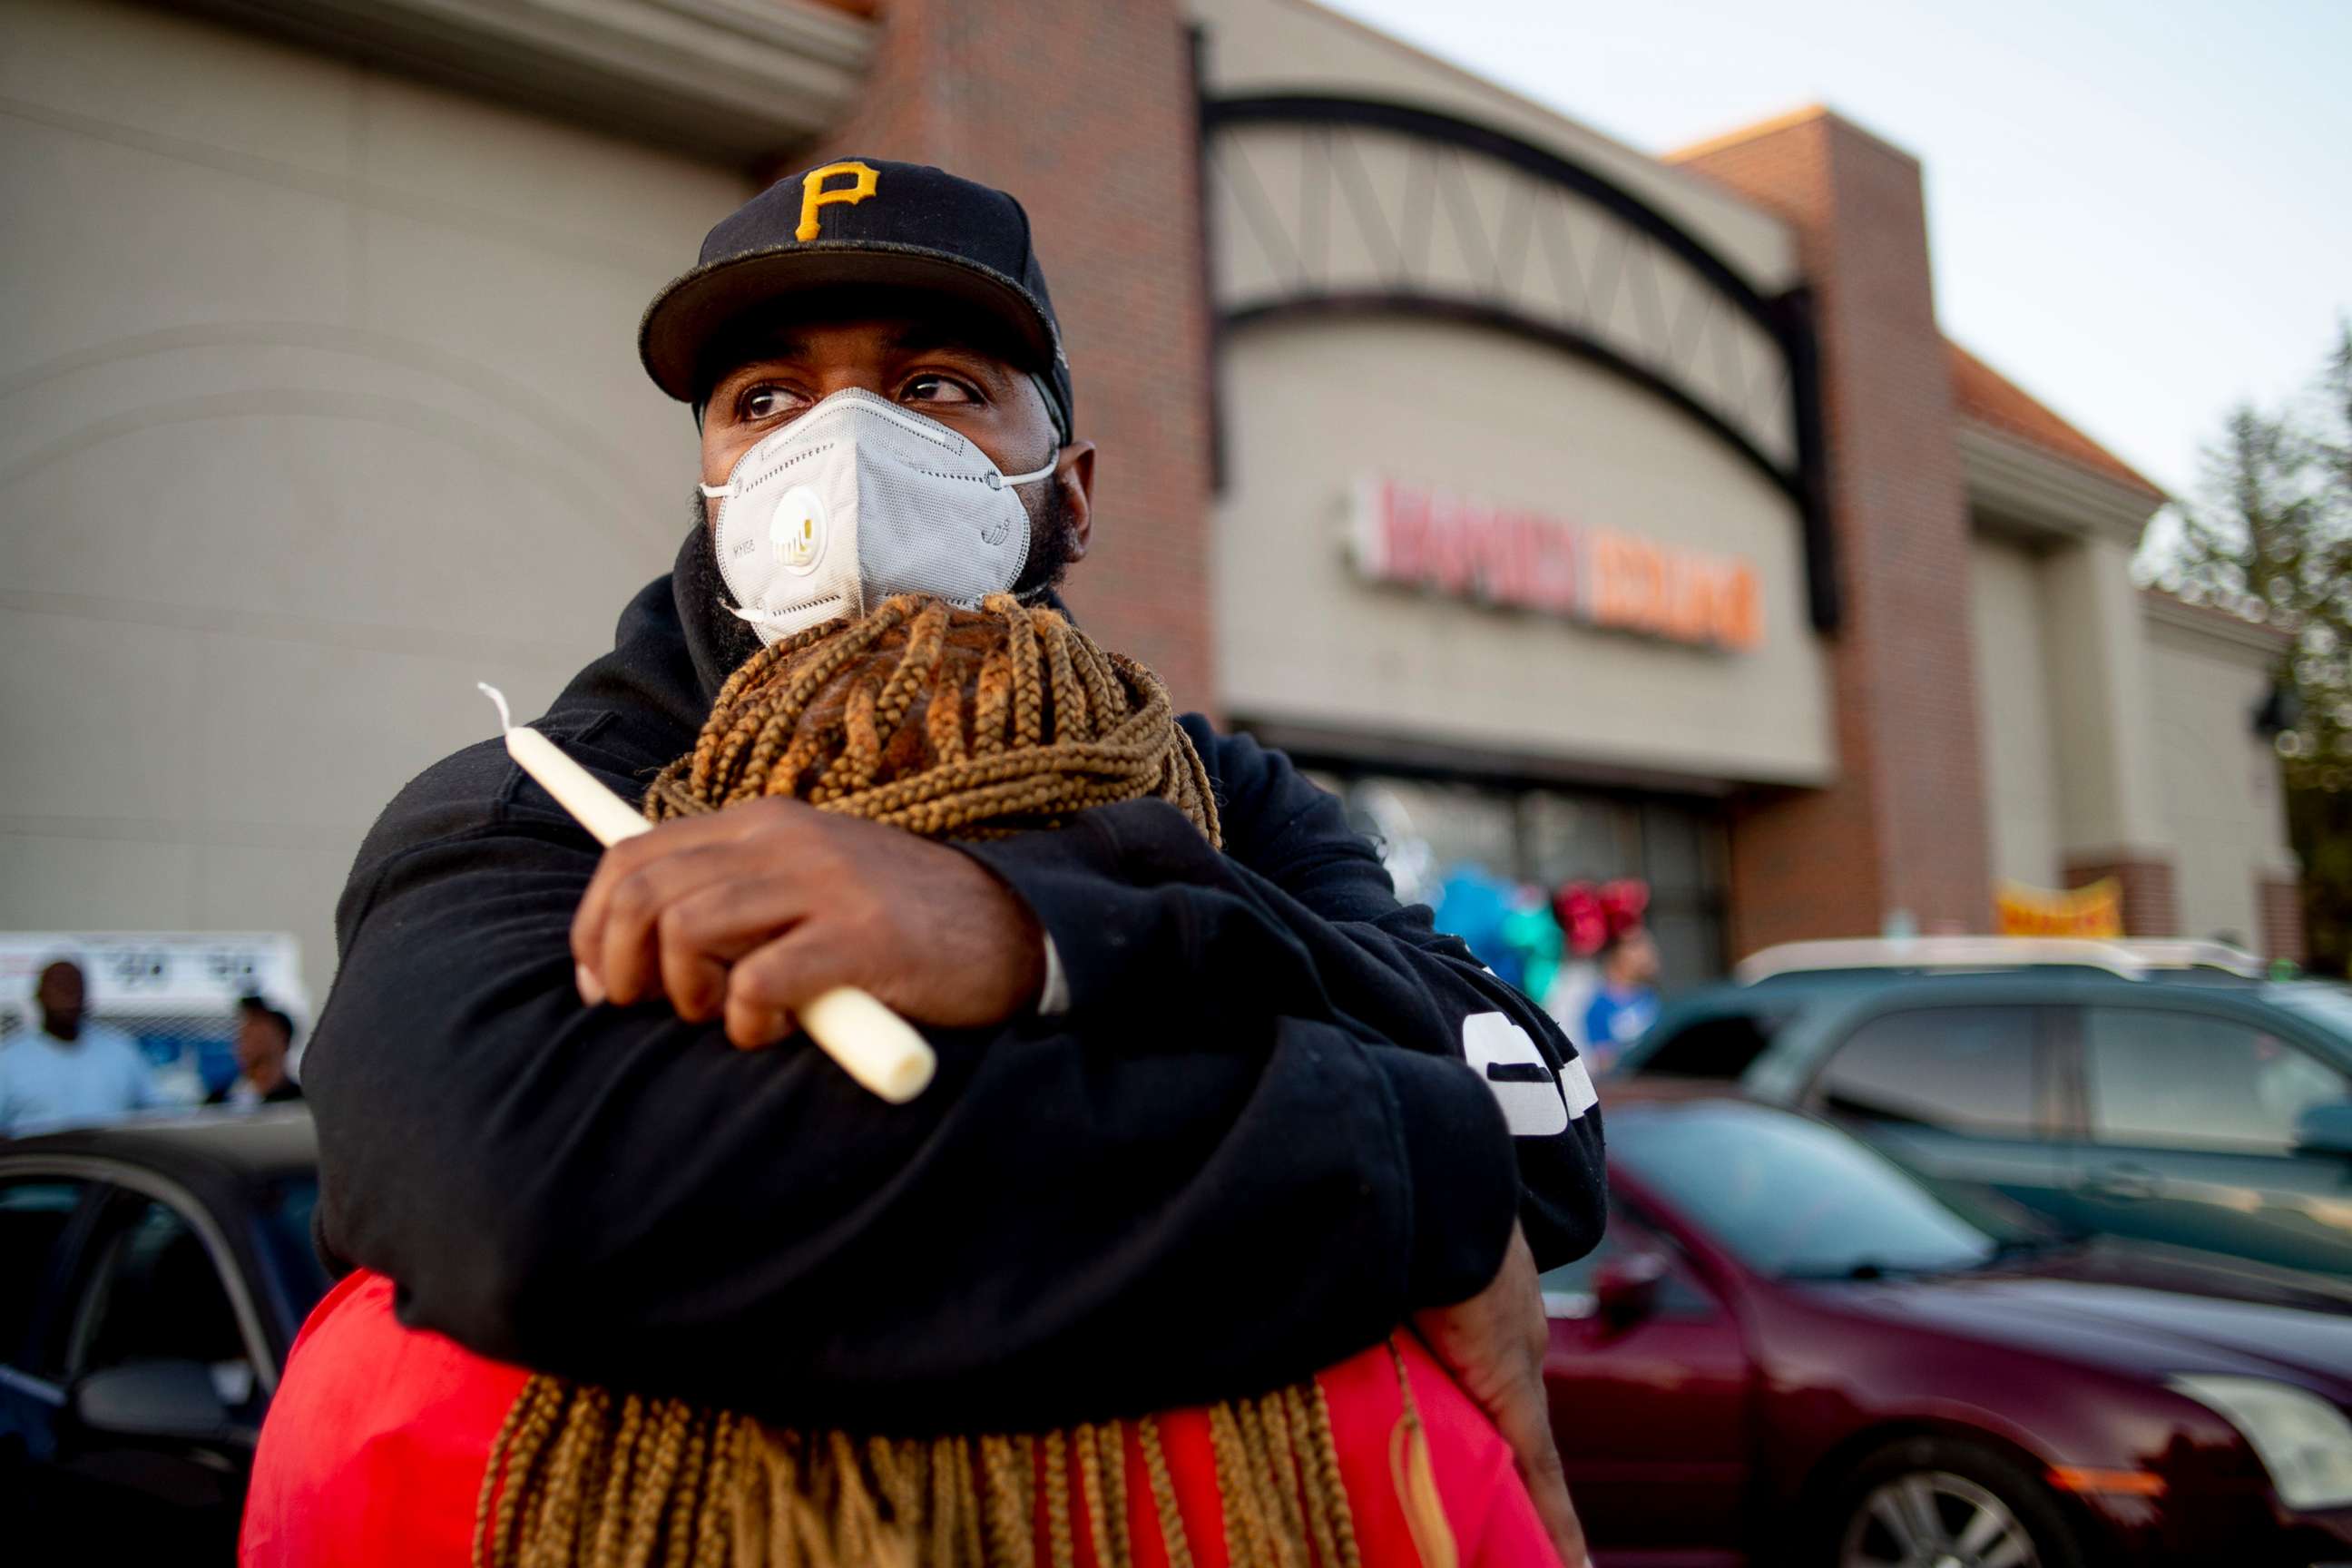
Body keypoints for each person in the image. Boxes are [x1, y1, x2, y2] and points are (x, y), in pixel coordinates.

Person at [269, 158, 1606, 1561]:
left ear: (1071, 494)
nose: (837, 444)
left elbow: (1543, 1128)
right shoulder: (533, 802)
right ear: (714, 488)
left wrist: (1042, 930)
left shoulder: (1226, 796)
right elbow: (527, 1199)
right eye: (765, 401)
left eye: (935, 387)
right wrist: (1399, 1163)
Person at [0, 958, 166, 1135]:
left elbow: (155, 1114)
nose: (68, 995)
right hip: (36, 1161)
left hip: (107, 1160)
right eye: (59, 987)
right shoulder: (8, 1060)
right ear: (39, 996)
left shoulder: (120, 1051)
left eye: (75, 988)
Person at [1580, 926, 1661, 1072]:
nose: (1647, 952)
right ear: (1616, 953)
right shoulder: (1598, 1008)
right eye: (1636, 946)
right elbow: (1606, 1064)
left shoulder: (1650, 998)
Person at [206, 996, 303, 1108]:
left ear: (284, 1040)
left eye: (260, 1037)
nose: (249, 1044)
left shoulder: (304, 1102)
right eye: (245, 1036)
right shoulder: (218, 1103)